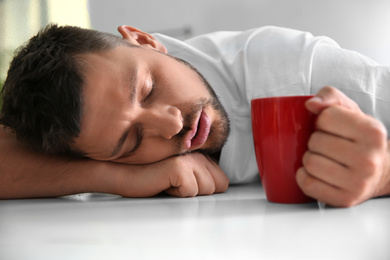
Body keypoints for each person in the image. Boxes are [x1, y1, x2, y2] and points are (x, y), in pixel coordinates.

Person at [0, 24, 389, 207]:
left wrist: (380, 176)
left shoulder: (294, 68)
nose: (171, 124)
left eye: (148, 89)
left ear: (146, 41)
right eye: (131, 141)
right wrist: (118, 176)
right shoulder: (85, 138)